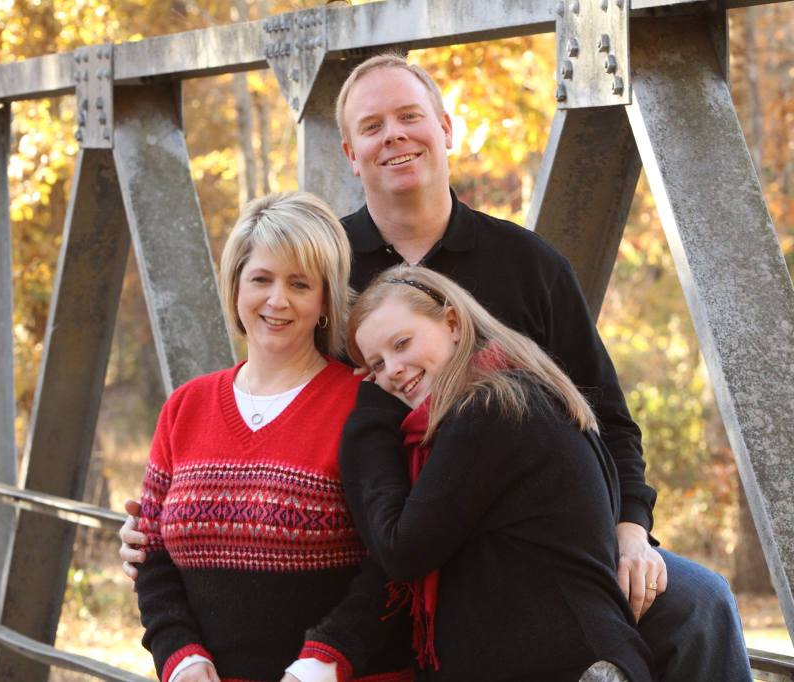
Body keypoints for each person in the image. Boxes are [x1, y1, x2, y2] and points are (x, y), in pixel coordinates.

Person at [124, 53, 750, 681]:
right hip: (403, 541)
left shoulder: (528, 265)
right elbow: (278, 387)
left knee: (700, 603)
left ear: (445, 129)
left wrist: (631, 530)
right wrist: (174, 530)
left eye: (409, 117)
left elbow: (607, 420)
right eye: (372, 126)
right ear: (349, 151)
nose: (393, 135)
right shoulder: (327, 268)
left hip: (535, 544)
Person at [132, 191, 413, 682]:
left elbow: (394, 564)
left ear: (324, 298)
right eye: (261, 279)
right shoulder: (185, 407)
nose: (277, 300)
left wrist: (324, 660)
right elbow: (151, 555)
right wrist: (181, 657)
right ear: (235, 286)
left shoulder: (363, 407)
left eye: (299, 284)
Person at [336, 265, 654, 681]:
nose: (391, 371)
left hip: (567, 668)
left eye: (402, 343)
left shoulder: (490, 411)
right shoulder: (515, 392)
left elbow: (402, 549)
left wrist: (369, 415)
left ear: (452, 322)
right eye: (376, 366)